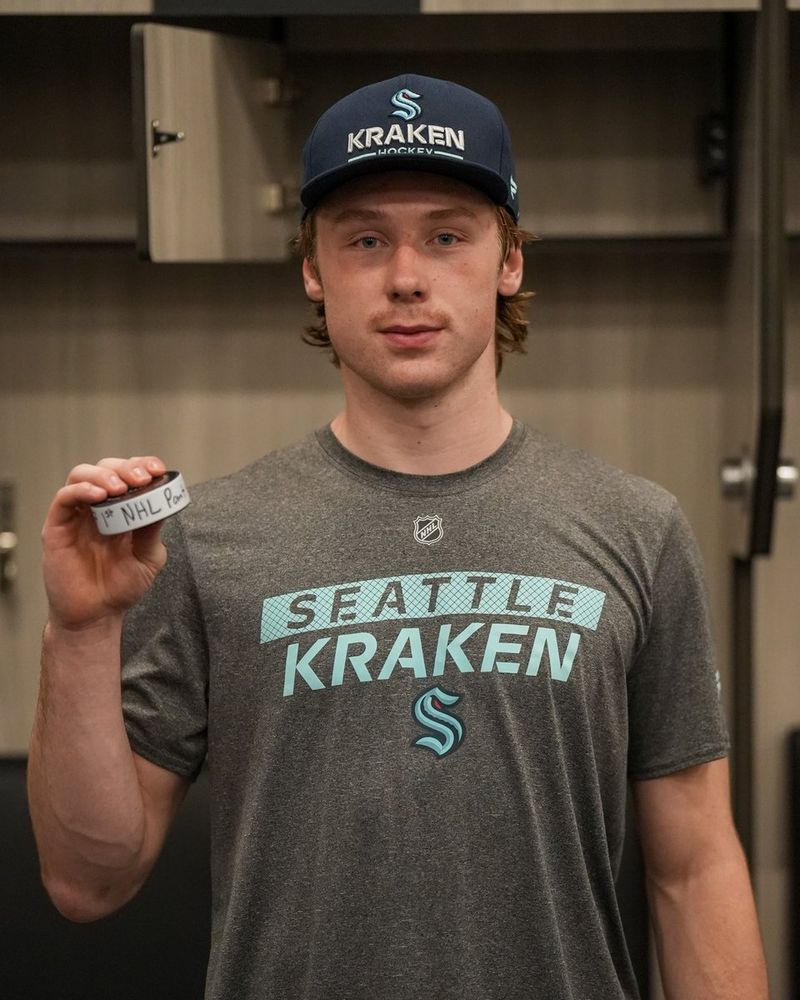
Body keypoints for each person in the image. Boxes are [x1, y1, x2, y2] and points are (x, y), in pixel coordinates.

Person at [28, 74, 768, 1000]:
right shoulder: (205, 540)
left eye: (448, 235)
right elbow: (88, 880)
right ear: (313, 269)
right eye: (366, 239)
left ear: (509, 262)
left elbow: (694, 870)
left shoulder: (637, 527)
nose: (407, 276)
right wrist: (83, 633)